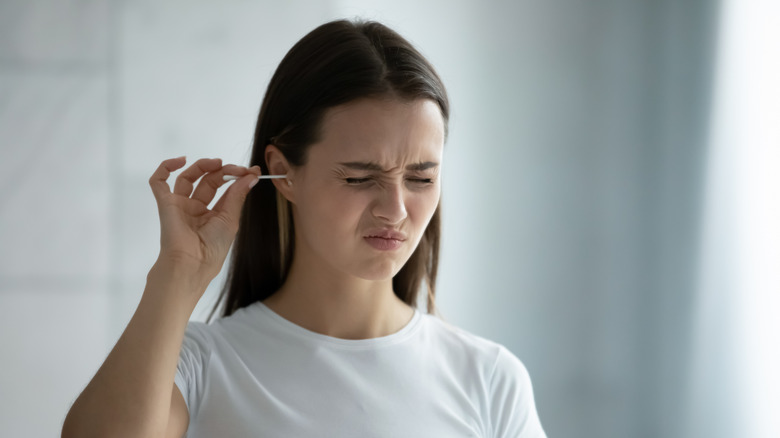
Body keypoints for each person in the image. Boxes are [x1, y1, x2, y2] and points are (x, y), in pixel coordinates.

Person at [62, 19, 546, 438]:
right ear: (284, 171)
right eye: (359, 178)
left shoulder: (489, 378)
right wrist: (177, 272)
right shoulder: (200, 365)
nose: (395, 210)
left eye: (421, 178)